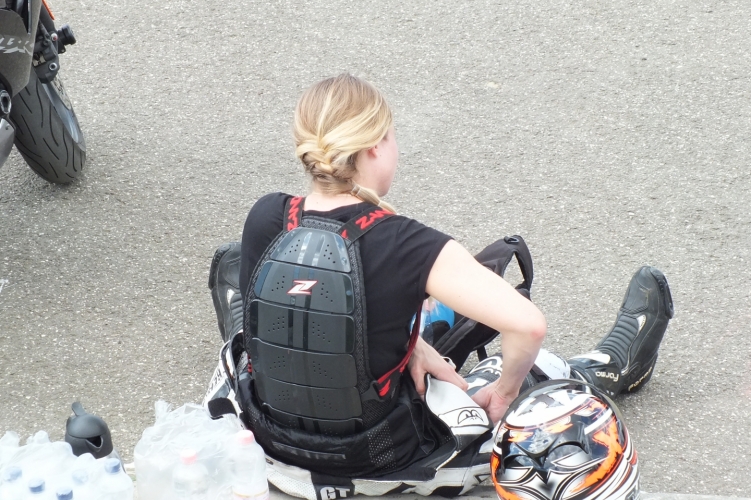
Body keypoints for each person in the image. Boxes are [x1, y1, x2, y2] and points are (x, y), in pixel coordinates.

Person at [205, 73, 673, 498]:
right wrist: (504, 394)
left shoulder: (267, 216)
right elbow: (528, 326)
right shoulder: (404, 242)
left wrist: (412, 347)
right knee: (532, 369)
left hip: (271, 450)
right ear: (376, 145)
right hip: (384, 462)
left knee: (271, 329)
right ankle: (608, 368)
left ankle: (241, 318)